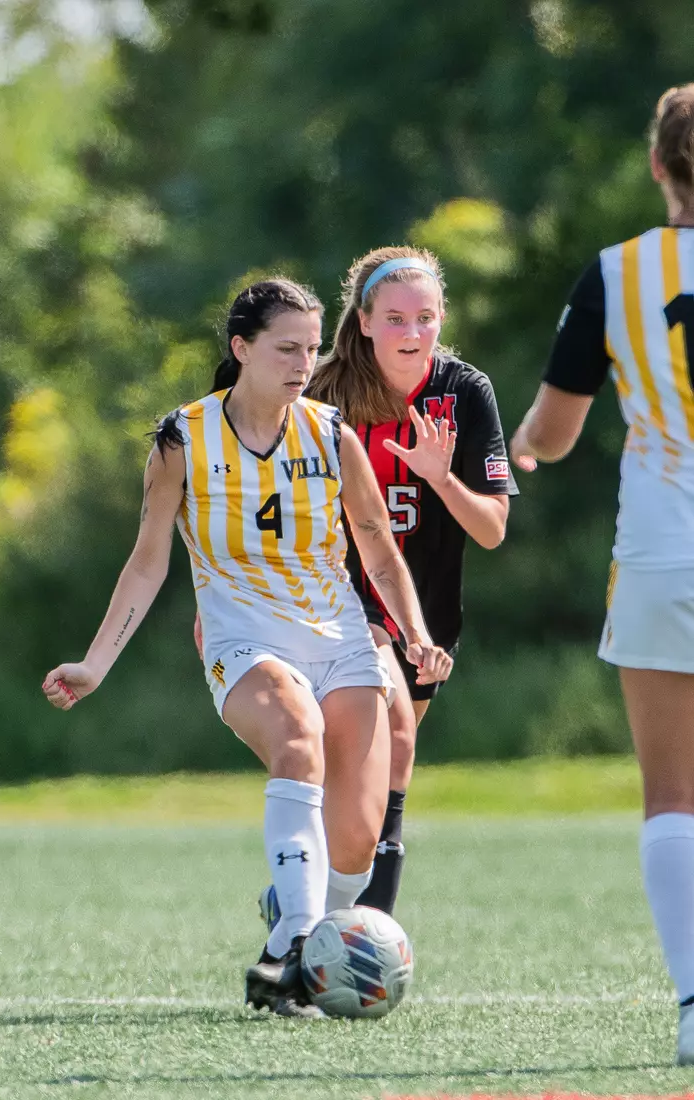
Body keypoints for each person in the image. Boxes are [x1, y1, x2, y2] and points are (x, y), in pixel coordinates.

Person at [42, 277, 451, 1018]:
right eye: (286, 348)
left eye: (312, 348)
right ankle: (295, 942)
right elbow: (147, 560)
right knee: (299, 743)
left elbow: (380, 553)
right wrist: (95, 661)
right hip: (245, 639)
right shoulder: (181, 440)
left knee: (355, 846)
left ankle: (291, 904)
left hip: (340, 638)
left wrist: (416, 637)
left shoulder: (332, 434)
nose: (304, 363)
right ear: (241, 348)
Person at [509, 84, 694, 1065]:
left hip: (665, 554)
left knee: (674, 795)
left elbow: (554, 427)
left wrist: (525, 449)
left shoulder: (619, 271)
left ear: (660, 167)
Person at [306, 245, 519, 916]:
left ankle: (314, 898)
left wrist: (438, 475)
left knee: (386, 771)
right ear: (363, 321)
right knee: (390, 737)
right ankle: (356, 930)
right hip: (339, 603)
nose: (413, 333)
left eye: (425, 318)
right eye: (395, 318)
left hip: (425, 612)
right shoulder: (319, 394)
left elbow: (491, 529)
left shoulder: (463, 393)